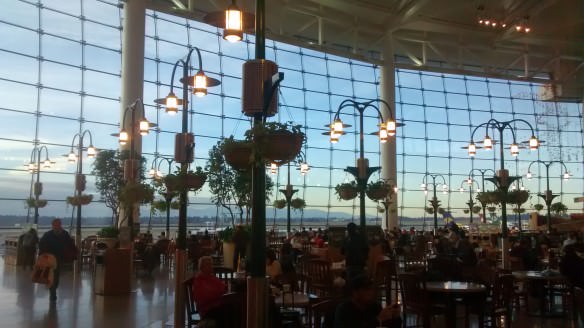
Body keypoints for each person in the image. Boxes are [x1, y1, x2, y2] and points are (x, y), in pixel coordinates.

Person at [334, 275, 401, 328]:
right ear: (355, 292)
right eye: (366, 289)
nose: (370, 292)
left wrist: (396, 318)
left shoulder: (375, 306)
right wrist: (378, 320)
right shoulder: (344, 309)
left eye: (371, 289)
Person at [39, 218, 72, 301]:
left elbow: (70, 245)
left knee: (56, 276)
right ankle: (52, 291)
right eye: (56, 224)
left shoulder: (65, 234)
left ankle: (53, 289)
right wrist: (43, 256)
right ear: (53, 225)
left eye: (59, 224)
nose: (57, 226)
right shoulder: (47, 234)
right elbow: (41, 245)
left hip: (59, 259)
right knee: (51, 275)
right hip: (49, 259)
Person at [192, 256, 227, 321]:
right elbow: (204, 297)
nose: (211, 266)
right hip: (206, 310)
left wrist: (216, 292)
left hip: (216, 307)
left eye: (211, 264)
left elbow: (223, 288)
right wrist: (217, 293)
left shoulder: (212, 278)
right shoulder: (198, 280)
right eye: (208, 264)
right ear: (202, 267)